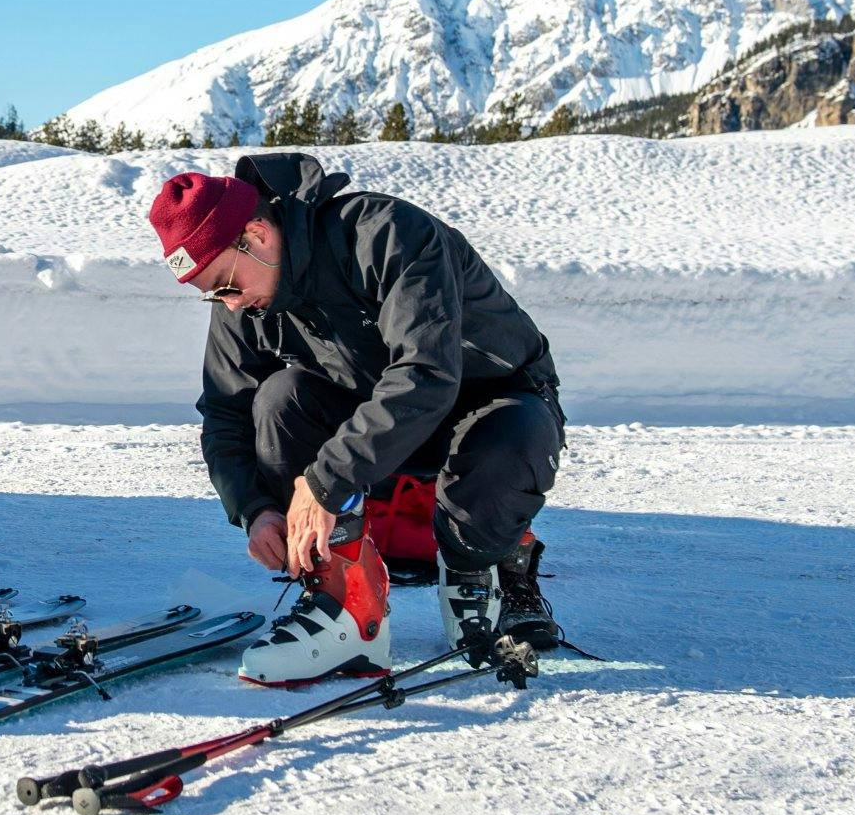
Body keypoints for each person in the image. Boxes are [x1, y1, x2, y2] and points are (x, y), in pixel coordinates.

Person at [148, 154, 565, 686]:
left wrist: (324, 484)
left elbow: (426, 373)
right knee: (280, 399)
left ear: (256, 234)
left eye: (225, 285)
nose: (227, 306)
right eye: (211, 294)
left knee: (512, 435)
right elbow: (227, 409)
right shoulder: (246, 300)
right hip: (380, 429)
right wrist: (253, 509)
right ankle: (346, 601)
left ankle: (481, 562)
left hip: (485, 405)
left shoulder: (387, 235)